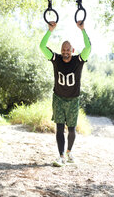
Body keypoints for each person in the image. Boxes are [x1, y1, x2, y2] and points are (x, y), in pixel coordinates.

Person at [40, 20, 91, 166]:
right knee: (60, 128)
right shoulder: (56, 59)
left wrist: (82, 29)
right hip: (58, 98)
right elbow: (42, 46)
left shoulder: (79, 60)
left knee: (72, 130)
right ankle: (61, 156)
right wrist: (50, 30)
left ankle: (69, 152)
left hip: (73, 99)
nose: (65, 52)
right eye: (63, 50)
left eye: (68, 50)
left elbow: (88, 47)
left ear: (72, 51)